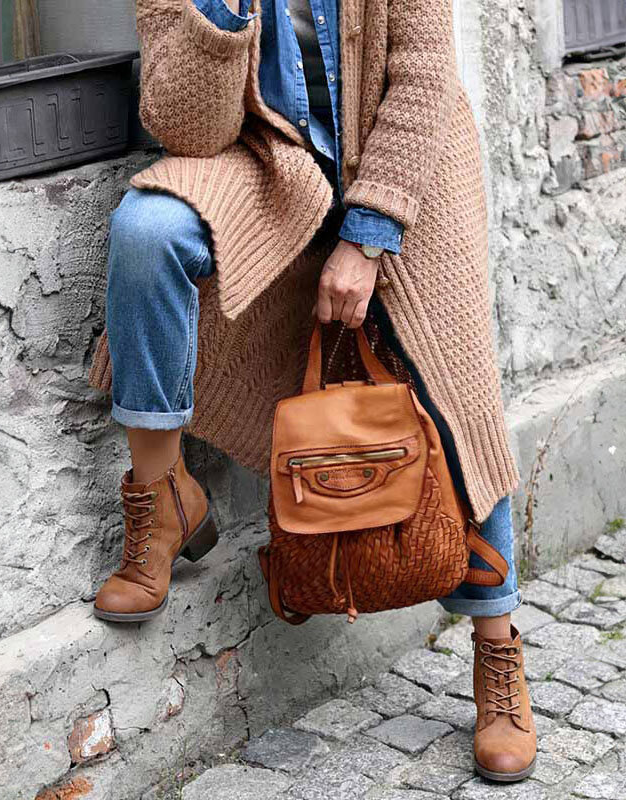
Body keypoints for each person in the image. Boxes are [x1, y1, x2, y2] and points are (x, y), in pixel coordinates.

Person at [88, 0, 537, 782]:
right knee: (145, 234)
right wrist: (218, 17)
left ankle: (497, 647)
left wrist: (369, 234)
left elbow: (425, 76)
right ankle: (161, 497)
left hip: (406, 169)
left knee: (451, 379)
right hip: (273, 169)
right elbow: (188, 130)